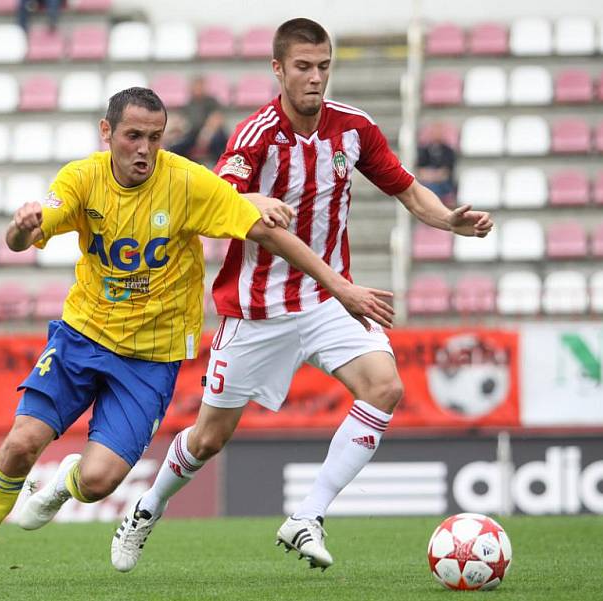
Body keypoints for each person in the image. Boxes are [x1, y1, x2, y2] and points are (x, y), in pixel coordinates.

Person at [0, 86, 395, 588]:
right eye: (133, 136)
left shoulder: (187, 184)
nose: (145, 149)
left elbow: (267, 233)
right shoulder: (81, 179)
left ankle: (66, 482)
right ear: (107, 133)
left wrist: (340, 287)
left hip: (151, 359)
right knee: (21, 443)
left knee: (99, 481)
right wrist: (21, 229)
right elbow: (24, 236)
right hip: (83, 338)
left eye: (154, 137)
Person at [108, 19, 493, 573]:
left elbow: (407, 189)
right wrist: (254, 205)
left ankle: (307, 516)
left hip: (328, 302)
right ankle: (146, 509)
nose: (316, 79)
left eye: (324, 67)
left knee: (384, 388)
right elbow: (221, 210)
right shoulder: (253, 137)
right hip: (258, 310)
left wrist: (449, 221)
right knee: (209, 439)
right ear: (278, 70)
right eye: (303, 68)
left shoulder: (353, 129)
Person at [168, 76, 229, 165]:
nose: (198, 89)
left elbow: (216, 119)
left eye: (200, 86)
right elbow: (183, 122)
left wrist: (206, 134)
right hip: (194, 133)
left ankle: (220, 168)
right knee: (176, 147)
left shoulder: (211, 101)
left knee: (218, 143)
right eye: (196, 86)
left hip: (212, 132)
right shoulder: (190, 103)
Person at [416, 121, 457, 205]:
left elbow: (445, 173)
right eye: (433, 132)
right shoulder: (424, 150)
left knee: (434, 189)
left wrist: (432, 176)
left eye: (438, 132)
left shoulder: (448, 151)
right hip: (427, 182)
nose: (436, 134)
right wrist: (431, 176)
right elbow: (420, 171)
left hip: (443, 185)